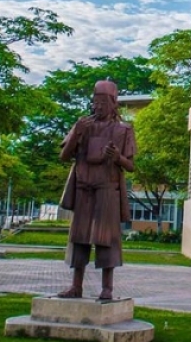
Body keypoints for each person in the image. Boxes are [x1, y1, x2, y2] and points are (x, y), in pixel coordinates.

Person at [56, 80, 137, 301]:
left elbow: (130, 165)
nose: (98, 107)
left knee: (106, 239)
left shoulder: (124, 129)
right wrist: (75, 134)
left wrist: (117, 157)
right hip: (83, 189)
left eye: (103, 102)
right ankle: (76, 286)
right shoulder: (83, 125)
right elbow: (64, 156)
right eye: (95, 102)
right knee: (79, 238)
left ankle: (107, 289)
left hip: (107, 191)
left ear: (113, 104)